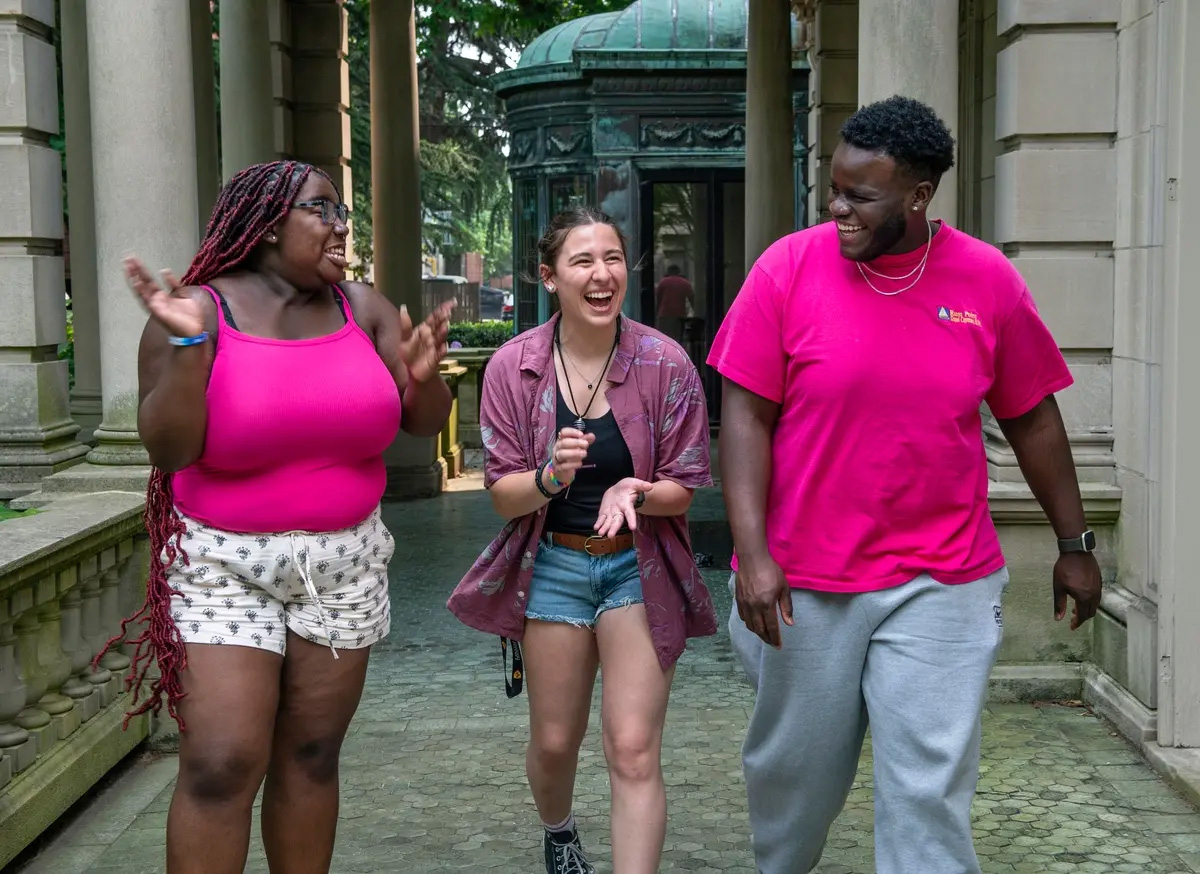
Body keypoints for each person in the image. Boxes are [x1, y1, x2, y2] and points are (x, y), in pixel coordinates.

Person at [707, 96, 1102, 874]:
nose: (837, 207)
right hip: (805, 580)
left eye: (860, 194)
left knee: (927, 790)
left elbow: (1033, 419)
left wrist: (1075, 543)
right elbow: (745, 415)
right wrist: (752, 554)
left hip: (943, 578)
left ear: (919, 197)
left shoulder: (985, 281)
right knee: (797, 786)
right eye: (834, 187)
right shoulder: (786, 269)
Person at [98, 160, 454, 874]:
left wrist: (421, 378)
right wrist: (190, 350)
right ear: (264, 227)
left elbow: (424, 422)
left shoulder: (365, 308)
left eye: (343, 211)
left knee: (313, 755)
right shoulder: (197, 312)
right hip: (223, 564)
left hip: (344, 564)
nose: (342, 226)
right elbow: (170, 448)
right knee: (222, 761)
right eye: (322, 211)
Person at [448, 206, 716, 874]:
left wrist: (638, 492)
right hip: (554, 571)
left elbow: (685, 482)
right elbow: (504, 494)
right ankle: (560, 829)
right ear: (550, 276)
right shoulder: (514, 368)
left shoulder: (665, 362)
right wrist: (550, 475)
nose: (603, 274)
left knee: (631, 748)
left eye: (614, 259)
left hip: (637, 569)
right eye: (583, 261)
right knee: (555, 741)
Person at [654, 264, 695, 343]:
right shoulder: (685, 283)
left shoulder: (663, 282)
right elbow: (691, 298)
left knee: (664, 338)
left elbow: (658, 298)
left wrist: (657, 313)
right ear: (678, 272)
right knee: (677, 338)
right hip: (680, 314)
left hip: (665, 314)